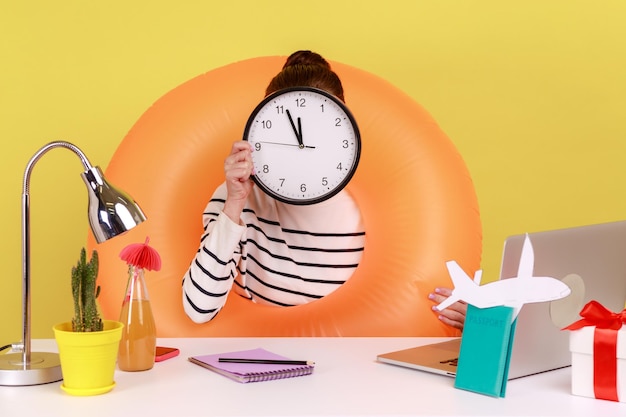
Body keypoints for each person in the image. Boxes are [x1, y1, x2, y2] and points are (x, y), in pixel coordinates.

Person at [182, 50, 466, 330]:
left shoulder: (373, 213)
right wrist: (233, 204)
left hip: (348, 364)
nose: (301, 150)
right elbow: (199, 309)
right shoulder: (236, 199)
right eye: (282, 134)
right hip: (257, 359)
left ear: (342, 131)